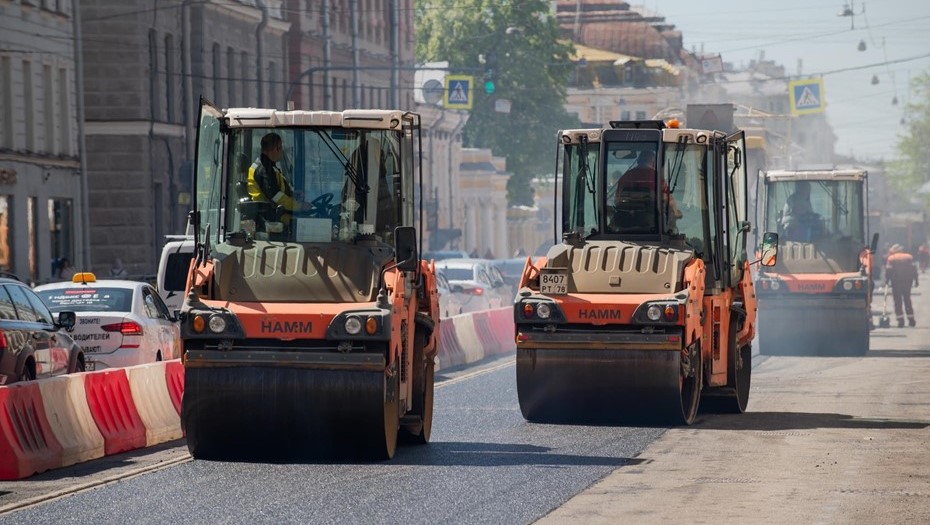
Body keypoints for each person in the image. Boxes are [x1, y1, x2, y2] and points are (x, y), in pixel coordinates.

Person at [246, 132, 313, 234]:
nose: (282, 152)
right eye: (281, 148)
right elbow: (276, 196)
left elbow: (275, 190)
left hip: (273, 214)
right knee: (308, 226)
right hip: (271, 218)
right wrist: (299, 206)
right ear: (277, 148)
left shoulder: (267, 166)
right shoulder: (264, 169)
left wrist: (292, 194)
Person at [613, 149, 681, 229]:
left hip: (625, 222)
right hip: (653, 223)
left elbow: (617, 200)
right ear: (653, 162)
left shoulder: (625, 177)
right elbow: (668, 198)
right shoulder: (658, 177)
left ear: (638, 161)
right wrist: (676, 212)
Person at [885, 243, 919, 327]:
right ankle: (911, 320)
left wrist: (886, 281)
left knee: (897, 302)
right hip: (907, 282)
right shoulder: (909, 257)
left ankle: (900, 321)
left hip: (896, 283)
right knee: (907, 300)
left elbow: (888, 271)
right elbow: (914, 269)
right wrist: (916, 280)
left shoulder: (891, 258)